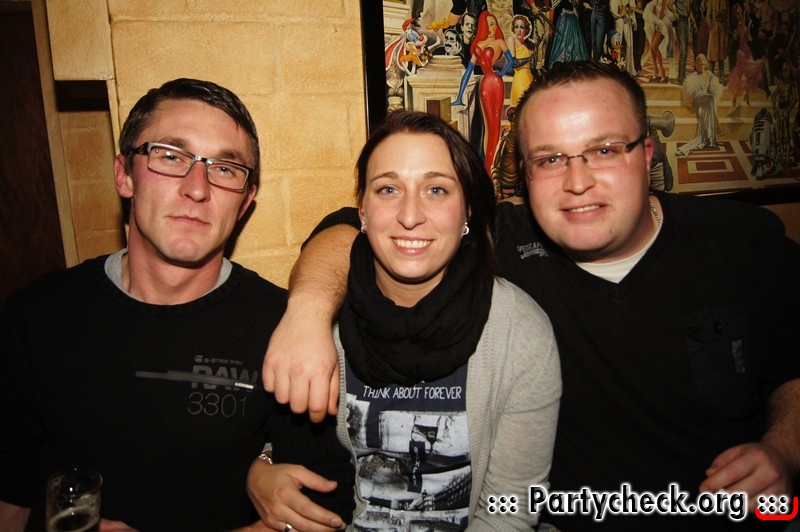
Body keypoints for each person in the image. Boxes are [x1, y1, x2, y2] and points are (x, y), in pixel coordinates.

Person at [260, 61, 800, 531]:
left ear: (647, 154)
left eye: (604, 149)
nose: (578, 181)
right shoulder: (502, 242)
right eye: (550, 159)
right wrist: (308, 311)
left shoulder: (742, 243)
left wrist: (784, 448)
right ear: (524, 172)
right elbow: (358, 231)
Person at [0, 78, 353, 532]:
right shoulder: (35, 318)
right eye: (170, 156)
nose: (197, 188)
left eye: (225, 168)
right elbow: (9, 497)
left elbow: (323, 506)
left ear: (245, 202)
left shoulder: (282, 329)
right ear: (125, 174)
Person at [254, 110, 561, 530]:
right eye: (388, 189)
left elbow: (512, 509)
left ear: (467, 210)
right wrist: (260, 465)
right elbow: (290, 454)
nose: (410, 215)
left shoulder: (518, 330)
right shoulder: (320, 323)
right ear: (361, 209)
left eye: (436, 189)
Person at [452, 11, 515, 176]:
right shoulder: (479, 45)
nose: (491, 27)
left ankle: (493, 165)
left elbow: (511, 61)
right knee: (488, 126)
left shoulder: (499, 42)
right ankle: (489, 166)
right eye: (488, 24)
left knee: (496, 124)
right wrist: (459, 96)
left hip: (497, 83)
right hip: (486, 84)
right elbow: (468, 72)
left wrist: (502, 72)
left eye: (493, 23)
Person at [677, 53, 725, 156]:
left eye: (703, 64)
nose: (701, 67)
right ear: (696, 65)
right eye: (699, 65)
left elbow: (714, 89)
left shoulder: (709, 74)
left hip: (707, 97)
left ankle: (712, 134)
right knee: (710, 99)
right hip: (698, 96)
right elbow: (691, 95)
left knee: (711, 99)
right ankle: (718, 126)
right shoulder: (695, 75)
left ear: (706, 64)